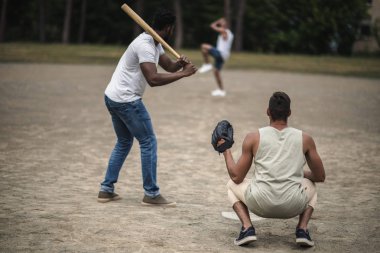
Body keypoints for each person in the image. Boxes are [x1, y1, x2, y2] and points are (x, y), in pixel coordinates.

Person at [97, 9, 197, 206]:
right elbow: (153, 78)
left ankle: (106, 190)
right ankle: (151, 194)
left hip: (113, 97)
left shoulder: (154, 41)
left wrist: (179, 64)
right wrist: (184, 74)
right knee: (148, 141)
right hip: (126, 100)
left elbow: (168, 67)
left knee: (124, 141)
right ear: (169, 28)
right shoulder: (145, 45)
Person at [218, 91, 326, 247]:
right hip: (293, 205)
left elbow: (236, 177)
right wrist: (298, 173)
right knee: (312, 186)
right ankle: (302, 229)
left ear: (268, 112)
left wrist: (226, 150)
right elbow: (320, 176)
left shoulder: (253, 137)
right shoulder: (305, 139)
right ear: (289, 113)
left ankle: (247, 228)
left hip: (260, 204)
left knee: (231, 184)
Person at [199, 17, 234, 97]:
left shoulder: (224, 31)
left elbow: (212, 26)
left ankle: (207, 64)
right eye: (221, 22)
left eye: (223, 22)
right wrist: (220, 22)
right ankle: (221, 90)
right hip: (223, 56)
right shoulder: (229, 33)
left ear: (226, 24)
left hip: (220, 54)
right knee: (216, 72)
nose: (221, 23)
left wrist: (217, 21)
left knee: (203, 46)